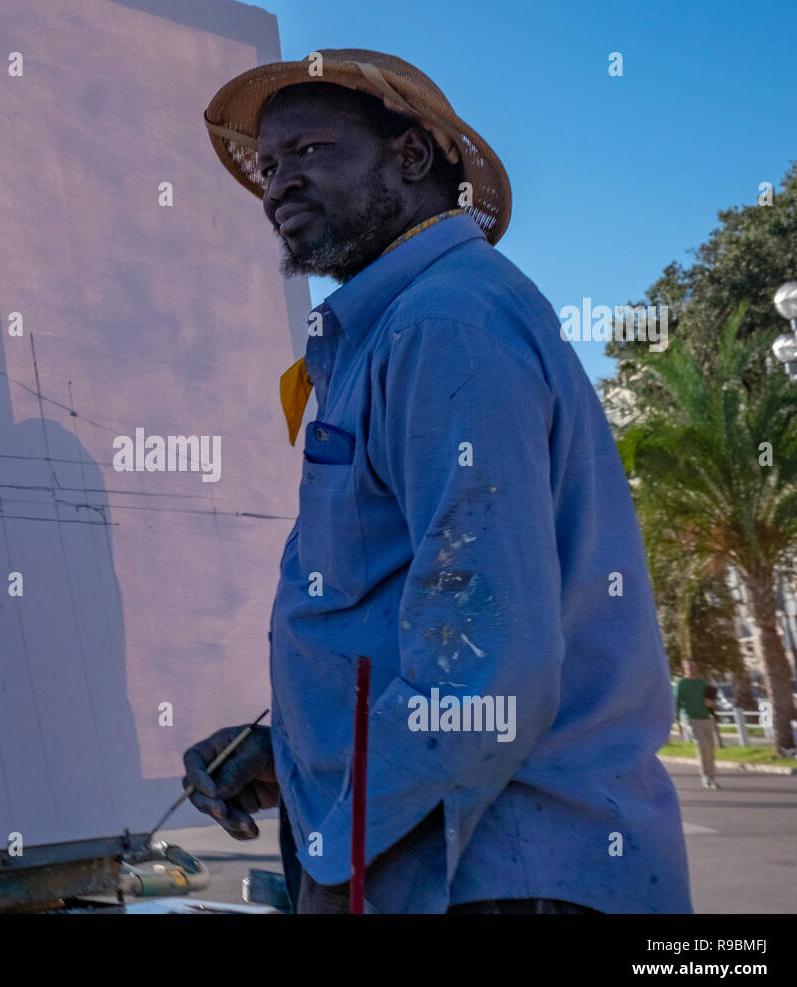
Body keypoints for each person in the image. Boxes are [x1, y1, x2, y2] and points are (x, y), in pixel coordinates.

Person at [184, 49, 692, 914]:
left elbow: (486, 675)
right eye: (270, 167)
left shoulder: (444, 324)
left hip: (494, 878)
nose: (278, 186)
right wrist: (295, 751)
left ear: (412, 158)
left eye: (310, 151)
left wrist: (335, 840)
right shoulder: (401, 329)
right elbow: (400, 614)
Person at [674, 660, 718, 788]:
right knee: (702, 745)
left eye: (693, 666)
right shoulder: (681, 684)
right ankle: (705, 777)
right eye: (689, 667)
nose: (692, 669)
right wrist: (678, 722)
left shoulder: (702, 682)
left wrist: (712, 704)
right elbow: (676, 703)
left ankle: (711, 777)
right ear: (684, 668)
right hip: (691, 718)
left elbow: (710, 700)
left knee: (710, 748)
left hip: (706, 718)